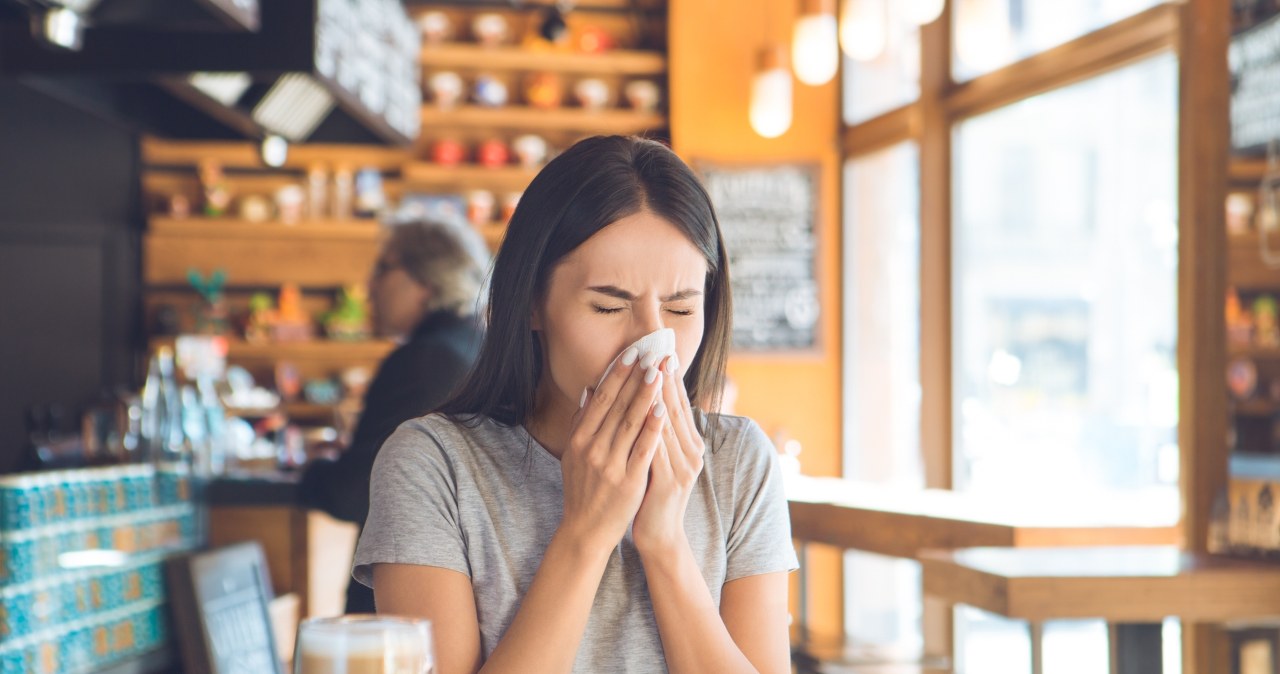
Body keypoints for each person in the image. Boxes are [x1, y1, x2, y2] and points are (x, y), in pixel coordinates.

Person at [353, 136, 797, 673]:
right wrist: (585, 534)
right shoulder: (432, 465)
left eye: (681, 309)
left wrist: (664, 543)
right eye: (610, 307)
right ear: (531, 304)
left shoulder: (738, 462)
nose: (652, 345)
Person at [299, 218, 487, 614]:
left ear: (427, 279)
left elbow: (354, 493)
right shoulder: (476, 345)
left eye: (383, 268)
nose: (370, 286)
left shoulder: (425, 360)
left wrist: (312, 469)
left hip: (406, 601)